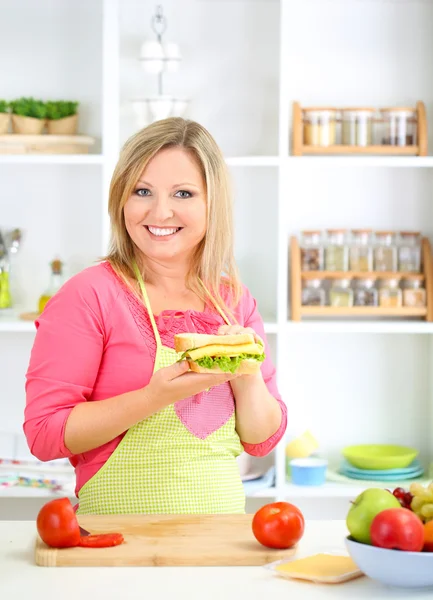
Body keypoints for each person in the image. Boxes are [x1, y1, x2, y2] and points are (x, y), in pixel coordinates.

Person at [24, 117, 287, 515]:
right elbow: (44, 434)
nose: (160, 212)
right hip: (115, 547)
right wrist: (155, 396)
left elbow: (261, 439)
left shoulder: (232, 300)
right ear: (121, 200)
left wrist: (247, 375)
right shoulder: (89, 295)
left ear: (211, 204)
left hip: (219, 546)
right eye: (142, 191)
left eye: (183, 193)